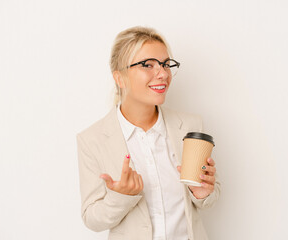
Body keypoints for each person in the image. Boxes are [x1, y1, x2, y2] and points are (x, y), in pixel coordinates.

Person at [76, 26, 221, 240]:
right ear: (119, 78)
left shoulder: (190, 125)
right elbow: (91, 218)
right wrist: (121, 196)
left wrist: (203, 193)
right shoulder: (92, 140)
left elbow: (210, 194)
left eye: (165, 64)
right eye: (148, 65)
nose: (163, 74)